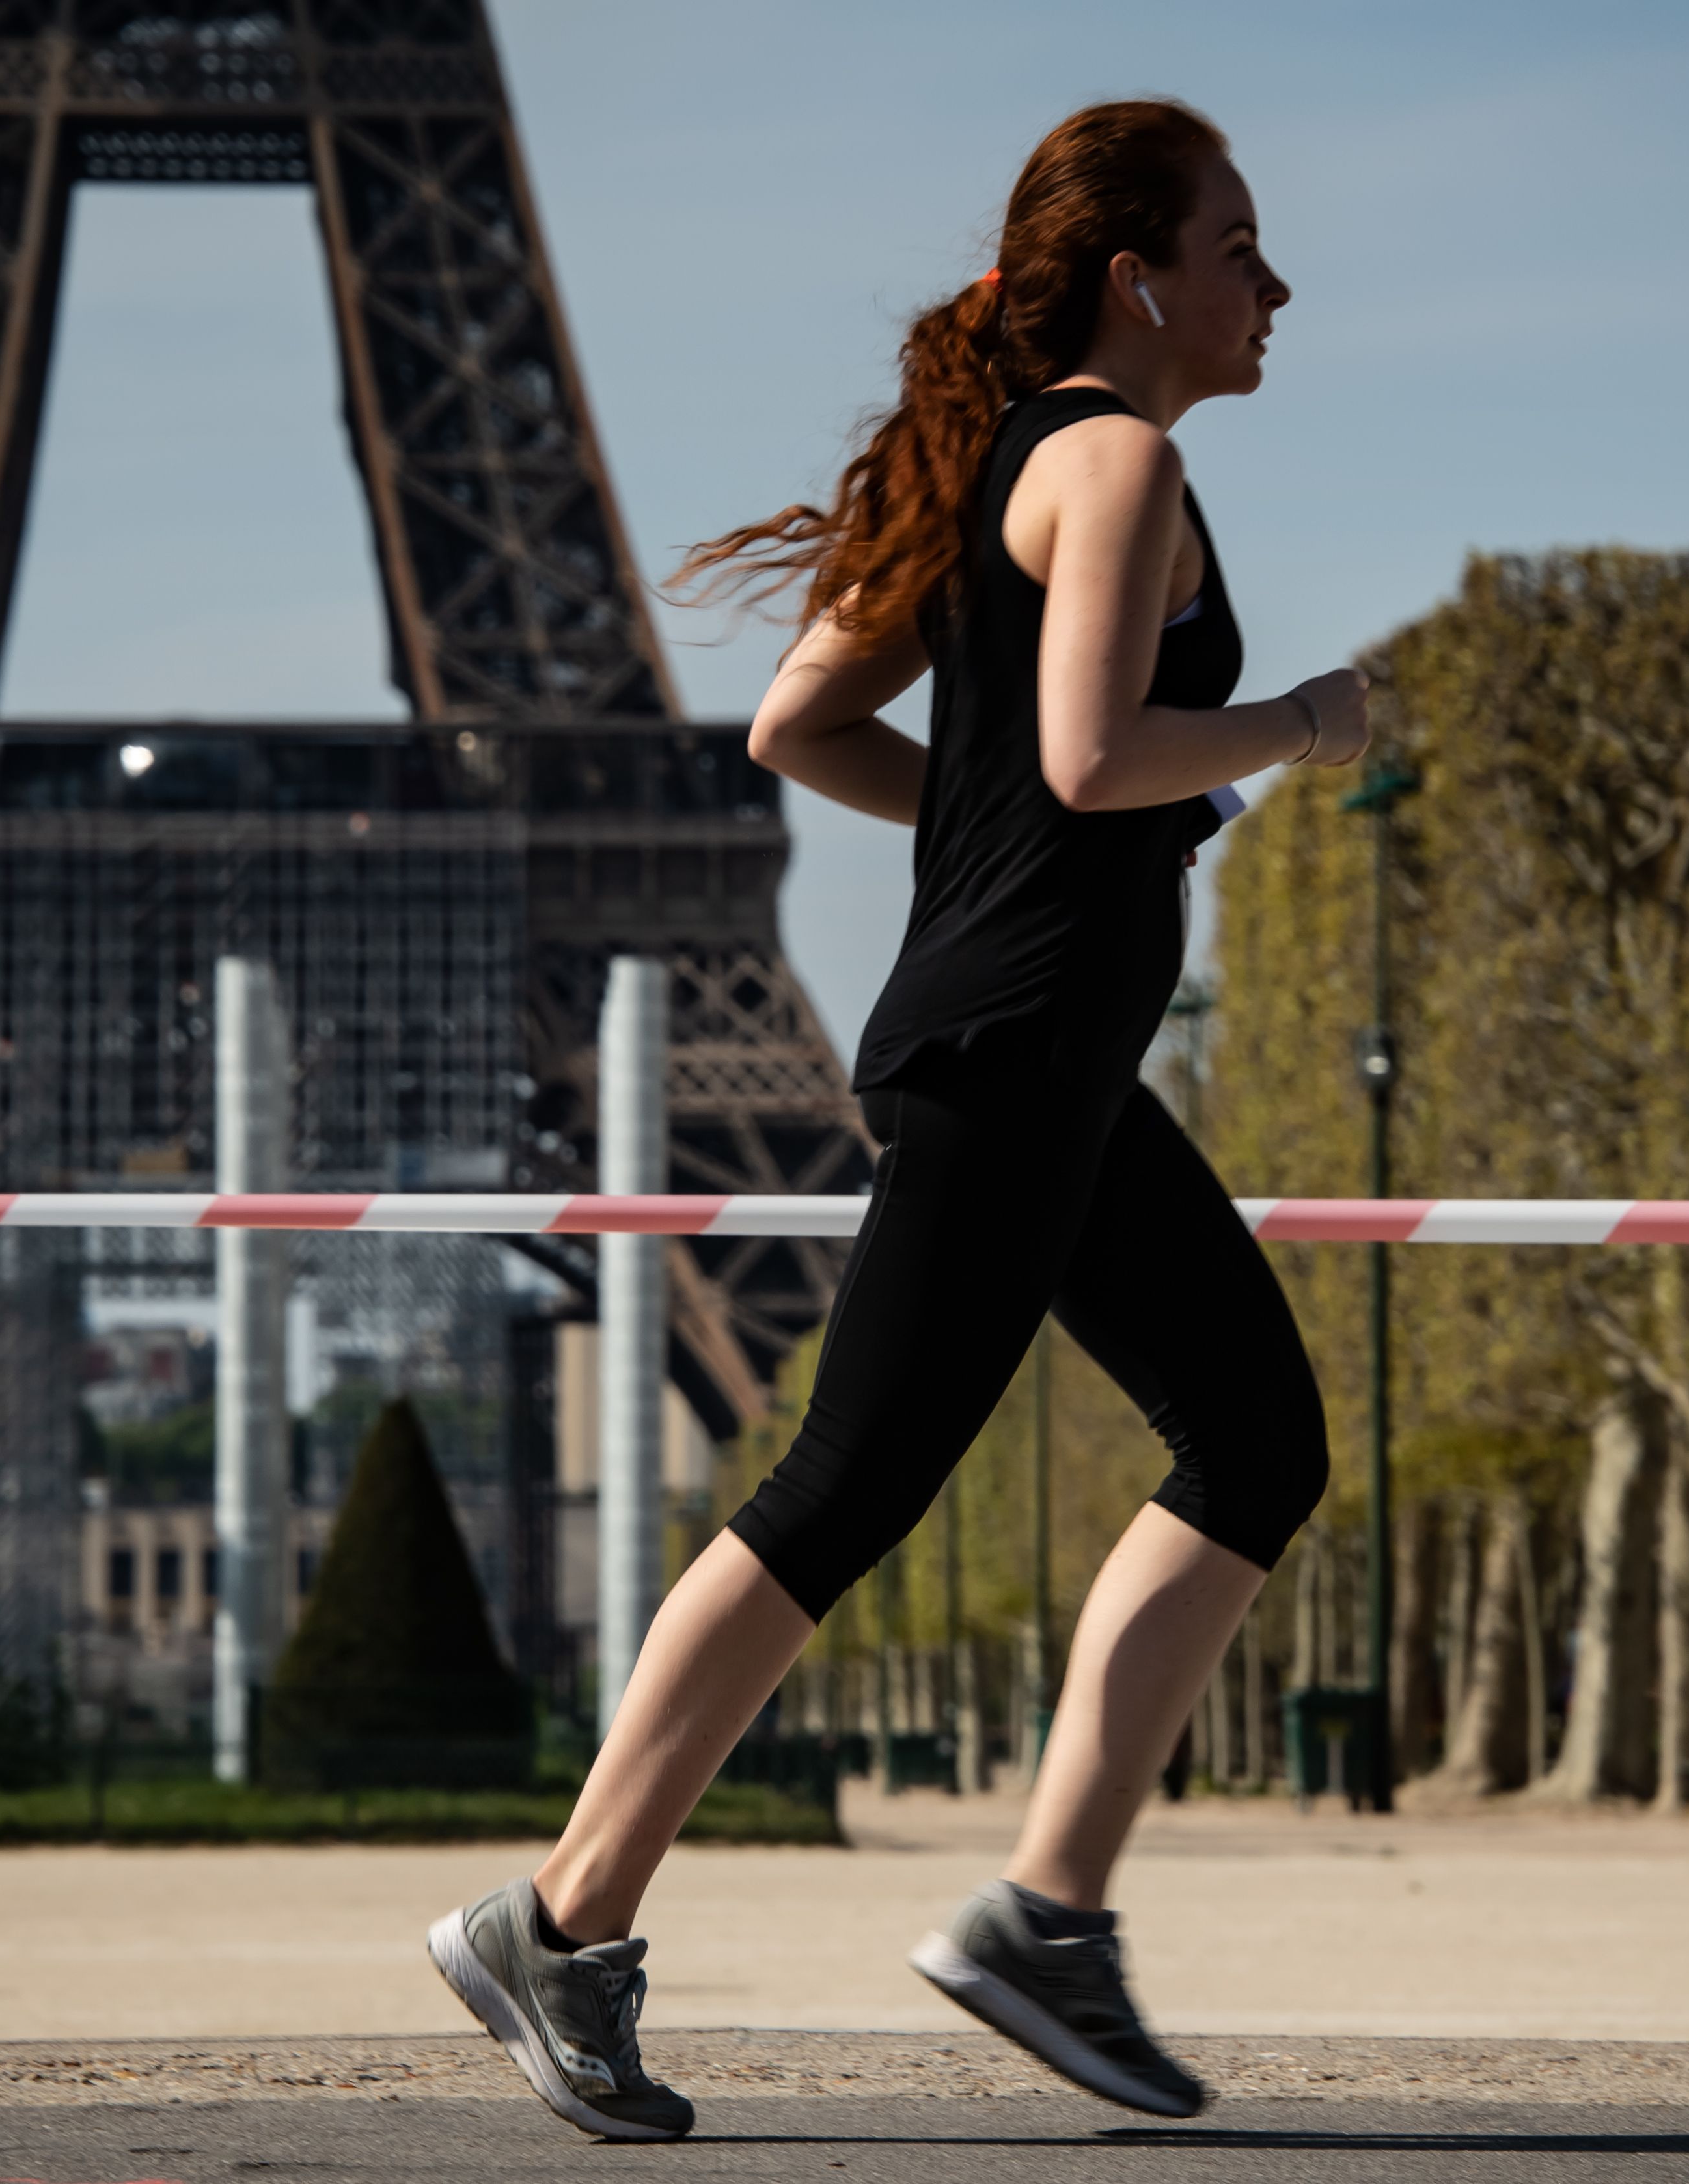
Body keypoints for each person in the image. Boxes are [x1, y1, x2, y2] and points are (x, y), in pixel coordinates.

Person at [427, 98, 1371, 2144]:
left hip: (1027, 1047)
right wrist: (1297, 723)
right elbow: (1098, 746)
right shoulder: (1117, 455)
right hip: (1019, 1050)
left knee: (1253, 1436)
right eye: (1236, 244)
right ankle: (564, 1919)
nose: (1271, 286)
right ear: (1136, 277)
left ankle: (1044, 1914)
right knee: (845, 1486)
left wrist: (1006, 815)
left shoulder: (997, 464)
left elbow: (801, 727)